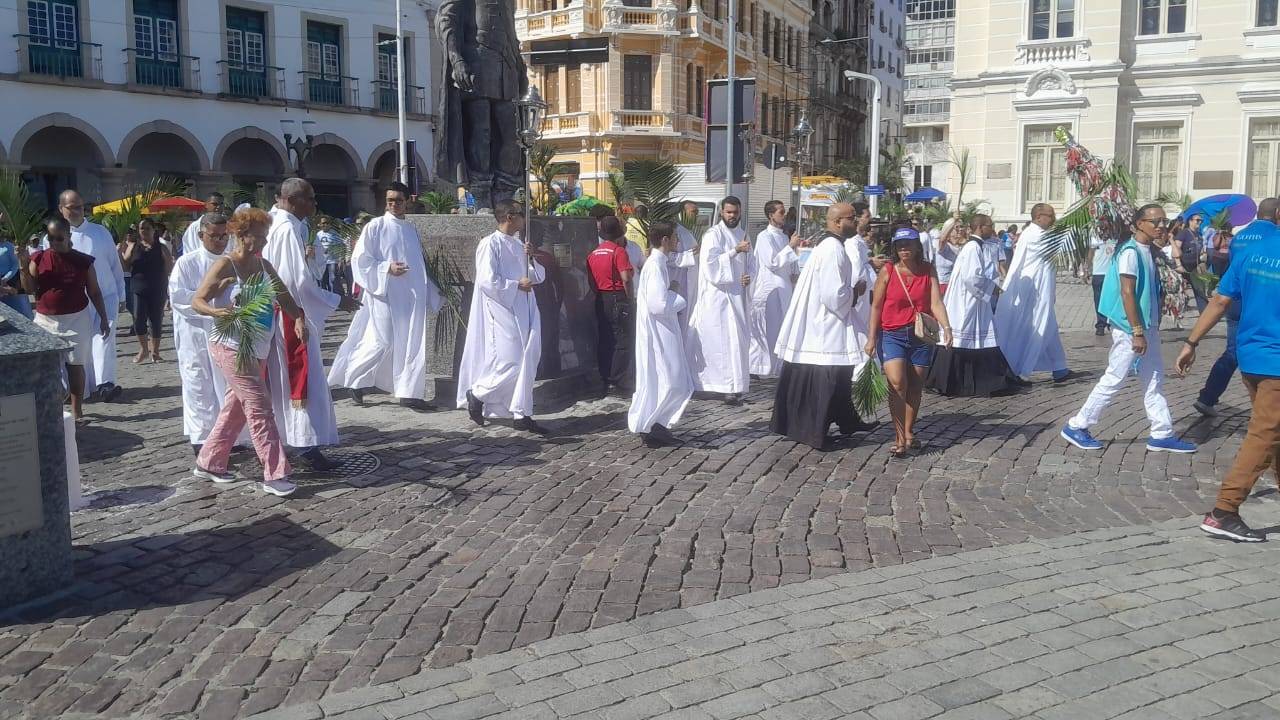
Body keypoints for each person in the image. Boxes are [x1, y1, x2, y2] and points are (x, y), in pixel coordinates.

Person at [1177, 202, 1280, 542]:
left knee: (1273, 429)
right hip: (1275, 362)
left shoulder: (1254, 250)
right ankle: (1224, 511)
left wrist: (1192, 341)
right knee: (1264, 434)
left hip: (1250, 356)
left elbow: (1220, 301)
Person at [191, 207, 308, 497]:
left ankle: (209, 461)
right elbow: (197, 301)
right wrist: (216, 310)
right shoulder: (225, 264)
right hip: (231, 346)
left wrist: (299, 319)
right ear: (243, 236)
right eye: (261, 237)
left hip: (258, 347)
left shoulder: (264, 265)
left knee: (236, 409)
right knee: (259, 407)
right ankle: (275, 473)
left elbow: (285, 297)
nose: (266, 242)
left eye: (266, 236)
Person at [1061, 204, 1196, 454]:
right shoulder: (1131, 252)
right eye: (1154, 222)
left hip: (1148, 326)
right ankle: (1078, 425)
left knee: (1153, 378)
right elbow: (1127, 292)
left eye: (1163, 221)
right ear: (1138, 224)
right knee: (1115, 377)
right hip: (1131, 328)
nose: (1160, 226)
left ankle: (1162, 432)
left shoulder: (1148, 250)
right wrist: (1136, 330)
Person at [263, 178, 359, 471]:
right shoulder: (287, 229)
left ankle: (286, 437)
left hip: (276, 313)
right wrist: (335, 300)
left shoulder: (273, 223)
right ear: (295, 200)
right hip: (291, 315)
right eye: (311, 200)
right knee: (305, 380)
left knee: (280, 382)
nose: (315, 206)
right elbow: (298, 283)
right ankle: (305, 443)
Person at [329, 182, 444, 412]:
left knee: (412, 342)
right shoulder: (376, 226)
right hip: (385, 293)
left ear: (407, 202)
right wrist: (386, 269)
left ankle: (409, 392)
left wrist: (433, 289)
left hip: (411, 296)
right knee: (384, 340)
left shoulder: (411, 229)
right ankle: (355, 379)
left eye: (398, 200)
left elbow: (420, 264)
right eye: (390, 200)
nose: (394, 204)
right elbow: (361, 260)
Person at [771, 203, 878, 449]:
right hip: (826, 326)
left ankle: (847, 420)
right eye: (852, 218)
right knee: (828, 378)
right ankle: (815, 432)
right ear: (838, 222)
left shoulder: (831, 246)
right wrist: (855, 291)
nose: (857, 223)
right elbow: (833, 296)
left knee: (841, 375)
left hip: (825, 322)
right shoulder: (833, 250)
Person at [456, 200, 549, 434]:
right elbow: (487, 280)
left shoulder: (519, 244)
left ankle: (521, 413)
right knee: (512, 361)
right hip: (502, 309)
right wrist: (516, 285)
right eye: (521, 215)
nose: (524, 219)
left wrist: (532, 257)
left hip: (525, 307)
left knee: (528, 359)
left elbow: (537, 276)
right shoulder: (490, 244)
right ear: (509, 217)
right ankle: (478, 394)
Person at [866, 228, 952, 457]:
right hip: (892, 333)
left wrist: (947, 327)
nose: (904, 248)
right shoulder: (888, 271)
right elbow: (876, 306)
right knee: (897, 383)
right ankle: (899, 437)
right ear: (894, 247)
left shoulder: (927, 270)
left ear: (917, 247)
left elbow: (936, 303)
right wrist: (871, 338)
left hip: (920, 335)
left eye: (908, 244)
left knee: (915, 385)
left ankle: (909, 431)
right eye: (900, 244)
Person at [20, 216, 111, 422]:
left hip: (77, 317)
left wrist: (104, 318)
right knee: (46, 366)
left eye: (59, 238)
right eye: (51, 238)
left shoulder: (83, 261)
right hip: (45, 319)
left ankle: (77, 410)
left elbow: (95, 292)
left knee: (75, 365)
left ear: (68, 236)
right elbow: (28, 288)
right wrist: (23, 265)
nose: (55, 242)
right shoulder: (39, 259)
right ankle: (51, 407)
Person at [1194, 199, 1279, 417]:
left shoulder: (1240, 237)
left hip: (1233, 297)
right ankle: (1209, 396)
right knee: (1237, 351)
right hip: (1255, 299)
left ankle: (1209, 396)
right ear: (1277, 213)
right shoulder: (1271, 239)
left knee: (1234, 349)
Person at [49, 190, 126, 400]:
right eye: (70, 207)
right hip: (76, 300)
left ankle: (105, 383)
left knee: (104, 336)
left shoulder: (100, 232)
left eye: (79, 207)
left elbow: (115, 266)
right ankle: (84, 388)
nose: (75, 211)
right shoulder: (55, 237)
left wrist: (121, 295)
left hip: (106, 295)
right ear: (60, 209)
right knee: (82, 344)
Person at [169, 213, 235, 457]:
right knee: (198, 382)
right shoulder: (187, 263)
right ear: (200, 235)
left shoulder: (233, 261)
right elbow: (178, 297)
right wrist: (212, 298)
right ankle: (201, 437)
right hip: (194, 330)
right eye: (213, 236)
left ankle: (231, 435)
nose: (219, 241)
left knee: (227, 382)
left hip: (225, 330)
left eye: (223, 236)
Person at [926, 215, 1014, 397]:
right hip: (966, 302)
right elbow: (971, 278)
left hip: (974, 301)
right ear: (981, 227)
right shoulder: (973, 248)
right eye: (990, 225)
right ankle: (951, 382)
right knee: (961, 337)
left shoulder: (976, 247)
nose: (993, 229)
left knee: (976, 339)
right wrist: (992, 288)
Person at [628, 222, 693, 448]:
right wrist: (675, 293)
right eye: (674, 237)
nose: (677, 241)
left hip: (662, 329)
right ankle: (655, 424)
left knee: (665, 378)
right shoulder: (655, 265)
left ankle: (656, 424)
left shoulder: (658, 263)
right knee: (672, 378)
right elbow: (658, 304)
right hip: (659, 332)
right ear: (665, 240)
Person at [687, 196, 752, 406]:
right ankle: (709, 385)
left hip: (736, 296)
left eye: (735, 212)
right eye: (728, 212)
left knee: (736, 340)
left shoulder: (742, 234)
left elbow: (751, 262)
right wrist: (734, 251)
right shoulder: (713, 235)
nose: (732, 216)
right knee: (717, 341)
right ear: (722, 213)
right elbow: (710, 266)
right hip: (717, 298)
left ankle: (734, 386)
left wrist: (747, 275)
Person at [995, 203, 1071, 382]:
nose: (1053, 219)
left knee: (1048, 326)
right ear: (1038, 217)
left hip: (1042, 288)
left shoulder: (1040, 234)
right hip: (1033, 289)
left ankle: (1059, 367)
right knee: (1036, 325)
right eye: (1050, 215)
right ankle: (1019, 368)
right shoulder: (1033, 234)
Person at [748, 200, 801, 378]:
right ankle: (759, 367)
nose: (784, 215)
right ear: (771, 215)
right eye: (781, 212)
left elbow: (789, 261)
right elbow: (771, 262)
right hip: (770, 287)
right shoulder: (765, 236)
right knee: (767, 327)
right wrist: (791, 247)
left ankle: (778, 366)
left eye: (784, 211)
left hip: (784, 286)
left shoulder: (783, 236)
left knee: (781, 326)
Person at [587, 216, 635, 398]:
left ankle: (606, 378)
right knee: (622, 340)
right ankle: (619, 380)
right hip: (618, 297)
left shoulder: (593, 254)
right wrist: (629, 298)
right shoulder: (618, 251)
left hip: (601, 298)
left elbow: (591, 281)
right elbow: (626, 277)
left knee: (605, 339)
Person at [122, 218, 174, 364]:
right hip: (139, 288)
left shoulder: (161, 247)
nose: (144, 231)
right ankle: (144, 349)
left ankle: (155, 351)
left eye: (147, 228)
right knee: (138, 319)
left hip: (157, 287)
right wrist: (120, 250)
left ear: (153, 230)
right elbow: (125, 266)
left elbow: (169, 267)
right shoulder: (134, 246)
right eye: (141, 228)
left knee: (156, 320)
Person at [1086, 222, 1117, 336]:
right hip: (1099, 272)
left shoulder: (1116, 236)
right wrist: (1087, 268)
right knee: (1099, 300)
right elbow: (1091, 252)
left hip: (1112, 273)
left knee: (1113, 299)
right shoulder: (1096, 235)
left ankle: (1110, 322)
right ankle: (1101, 324)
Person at [0, 220, 33, 318]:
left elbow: (15, 265)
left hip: (11, 279)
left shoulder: (8, 246)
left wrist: (5, 278)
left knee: (16, 304)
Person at [1177, 213, 1209, 312]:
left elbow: (1201, 249)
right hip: (1183, 266)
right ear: (1190, 221)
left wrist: (1203, 256)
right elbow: (1176, 249)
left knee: (1200, 290)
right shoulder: (1184, 233)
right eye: (1197, 220)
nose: (1199, 222)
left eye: (1201, 221)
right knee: (1177, 292)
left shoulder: (1199, 235)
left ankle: (1204, 313)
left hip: (1196, 266)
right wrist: (1178, 264)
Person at [932, 217, 964, 296]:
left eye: (961, 227)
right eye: (956, 228)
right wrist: (953, 220)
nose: (959, 229)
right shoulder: (944, 246)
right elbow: (943, 239)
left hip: (956, 285)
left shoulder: (962, 247)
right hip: (942, 285)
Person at [316, 216, 348, 295]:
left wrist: (341, 259)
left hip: (332, 261)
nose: (325, 225)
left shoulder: (335, 234)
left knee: (333, 280)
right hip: (321, 262)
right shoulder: (317, 235)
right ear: (320, 224)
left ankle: (334, 297)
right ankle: (325, 298)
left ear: (330, 224)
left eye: (327, 223)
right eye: (323, 223)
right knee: (322, 280)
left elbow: (342, 246)